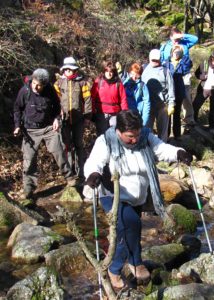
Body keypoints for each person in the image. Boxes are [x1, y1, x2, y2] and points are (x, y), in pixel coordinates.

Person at [84, 109, 193, 289]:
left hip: (137, 195)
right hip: (113, 195)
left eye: (137, 135)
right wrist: (93, 174)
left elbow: (161, 149)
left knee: (131, 228)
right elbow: (94, 161)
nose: (134, 140)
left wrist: (178, 153)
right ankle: (115, 268)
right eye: (129, 137)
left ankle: (135, 262)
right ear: (118, 131)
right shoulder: (106, 140)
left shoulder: (145, 137)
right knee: (130, 226)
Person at [13, 68, 74, 200]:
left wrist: (56, 119)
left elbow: (57, 107)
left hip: (48, 128)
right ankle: (28, 189)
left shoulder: (49, 90)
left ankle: (69, 177)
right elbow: (17, 109)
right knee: (29, 160)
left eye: (39, 85)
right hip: (30, 130)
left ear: (45, 84)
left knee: (59, 151)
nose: (36, 87)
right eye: (34, 83)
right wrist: (17, 126)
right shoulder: (25, 91)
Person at [54, 57, 92, 182]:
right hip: (64, 120)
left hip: (79, 119)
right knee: (66, 145)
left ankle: (81, 171)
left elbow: (87, 100)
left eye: (71, 69)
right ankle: (69, 173)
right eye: (66, 69)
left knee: (79, 145)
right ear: (63, 69)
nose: (69, 71)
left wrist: (87, 117)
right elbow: (54, 100)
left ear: (75, 70)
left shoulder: (82, 83)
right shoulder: (58, 83)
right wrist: (56, 115)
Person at [160, 26, 198, 129]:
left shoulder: (185, 43)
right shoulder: (165, 46)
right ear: (171, 37)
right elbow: (161, 58)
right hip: (169, 74)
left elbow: (195, 39)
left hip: (184, 74)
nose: (177, 41)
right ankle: (169, 121)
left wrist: (182, 35)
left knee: (185, 95)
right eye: (175, 38)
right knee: (169, 97)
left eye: (178, 38)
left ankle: (189, 119)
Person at [141, 49, 175, 142]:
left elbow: (171, 88)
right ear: (149, 58)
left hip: (162, 105)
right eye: (153, 60)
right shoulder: (143, 69)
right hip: (147, 105)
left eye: (157, 60)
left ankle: (162, 149)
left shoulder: (165, 71)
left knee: (163, 130)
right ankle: (149, 149)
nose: (155, 62)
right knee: (147, 129)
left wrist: (171, 103)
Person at [193, 50, 214, 132]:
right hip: (204, 88)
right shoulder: (204, 64)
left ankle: (212, 127)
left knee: (213, 109)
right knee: (195, 105)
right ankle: (194, 123)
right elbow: (197, 74)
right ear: (211, 57)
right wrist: (203, 77)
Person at [163, 45, 193, 139]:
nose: (176, 54)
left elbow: (186, 69)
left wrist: (183, 58)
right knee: (167, 115)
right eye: (175, 52)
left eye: (179, 52)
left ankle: (177, 135)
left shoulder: (183, 62)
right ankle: (166, 136)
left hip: (179, 90)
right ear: (171, 52)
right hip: (168, 91)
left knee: (176, 114)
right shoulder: (166, 62)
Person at [91, 60, 128, 136]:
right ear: (104, 71)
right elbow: (92, 97)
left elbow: (123, 99)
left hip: (115, 113)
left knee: (114, 135)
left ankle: (113, 148)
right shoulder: (98, 82)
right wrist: (92, 112)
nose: (109, 73)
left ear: (114, 72)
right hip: (101, 113)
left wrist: (124, 114)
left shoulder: (118, 83)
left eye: (111, 71)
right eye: (107, 71)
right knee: (102, 135)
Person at [123, 63, 151, 127]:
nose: (134, 77)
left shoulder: (143, 86)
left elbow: (147, 104)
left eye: (137, 75)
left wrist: (144, 121)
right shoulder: (124, 84)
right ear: (129, 72)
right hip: (126, 115)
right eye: (132, 74)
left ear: (140, 75)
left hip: (137, 116)